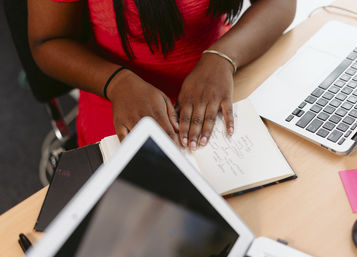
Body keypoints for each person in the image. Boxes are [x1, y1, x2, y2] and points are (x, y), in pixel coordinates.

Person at [28, 0, 296, 149]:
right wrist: (117, 82)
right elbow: (48, 41)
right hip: (120, 97)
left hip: (225, 77)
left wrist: (222, 57)